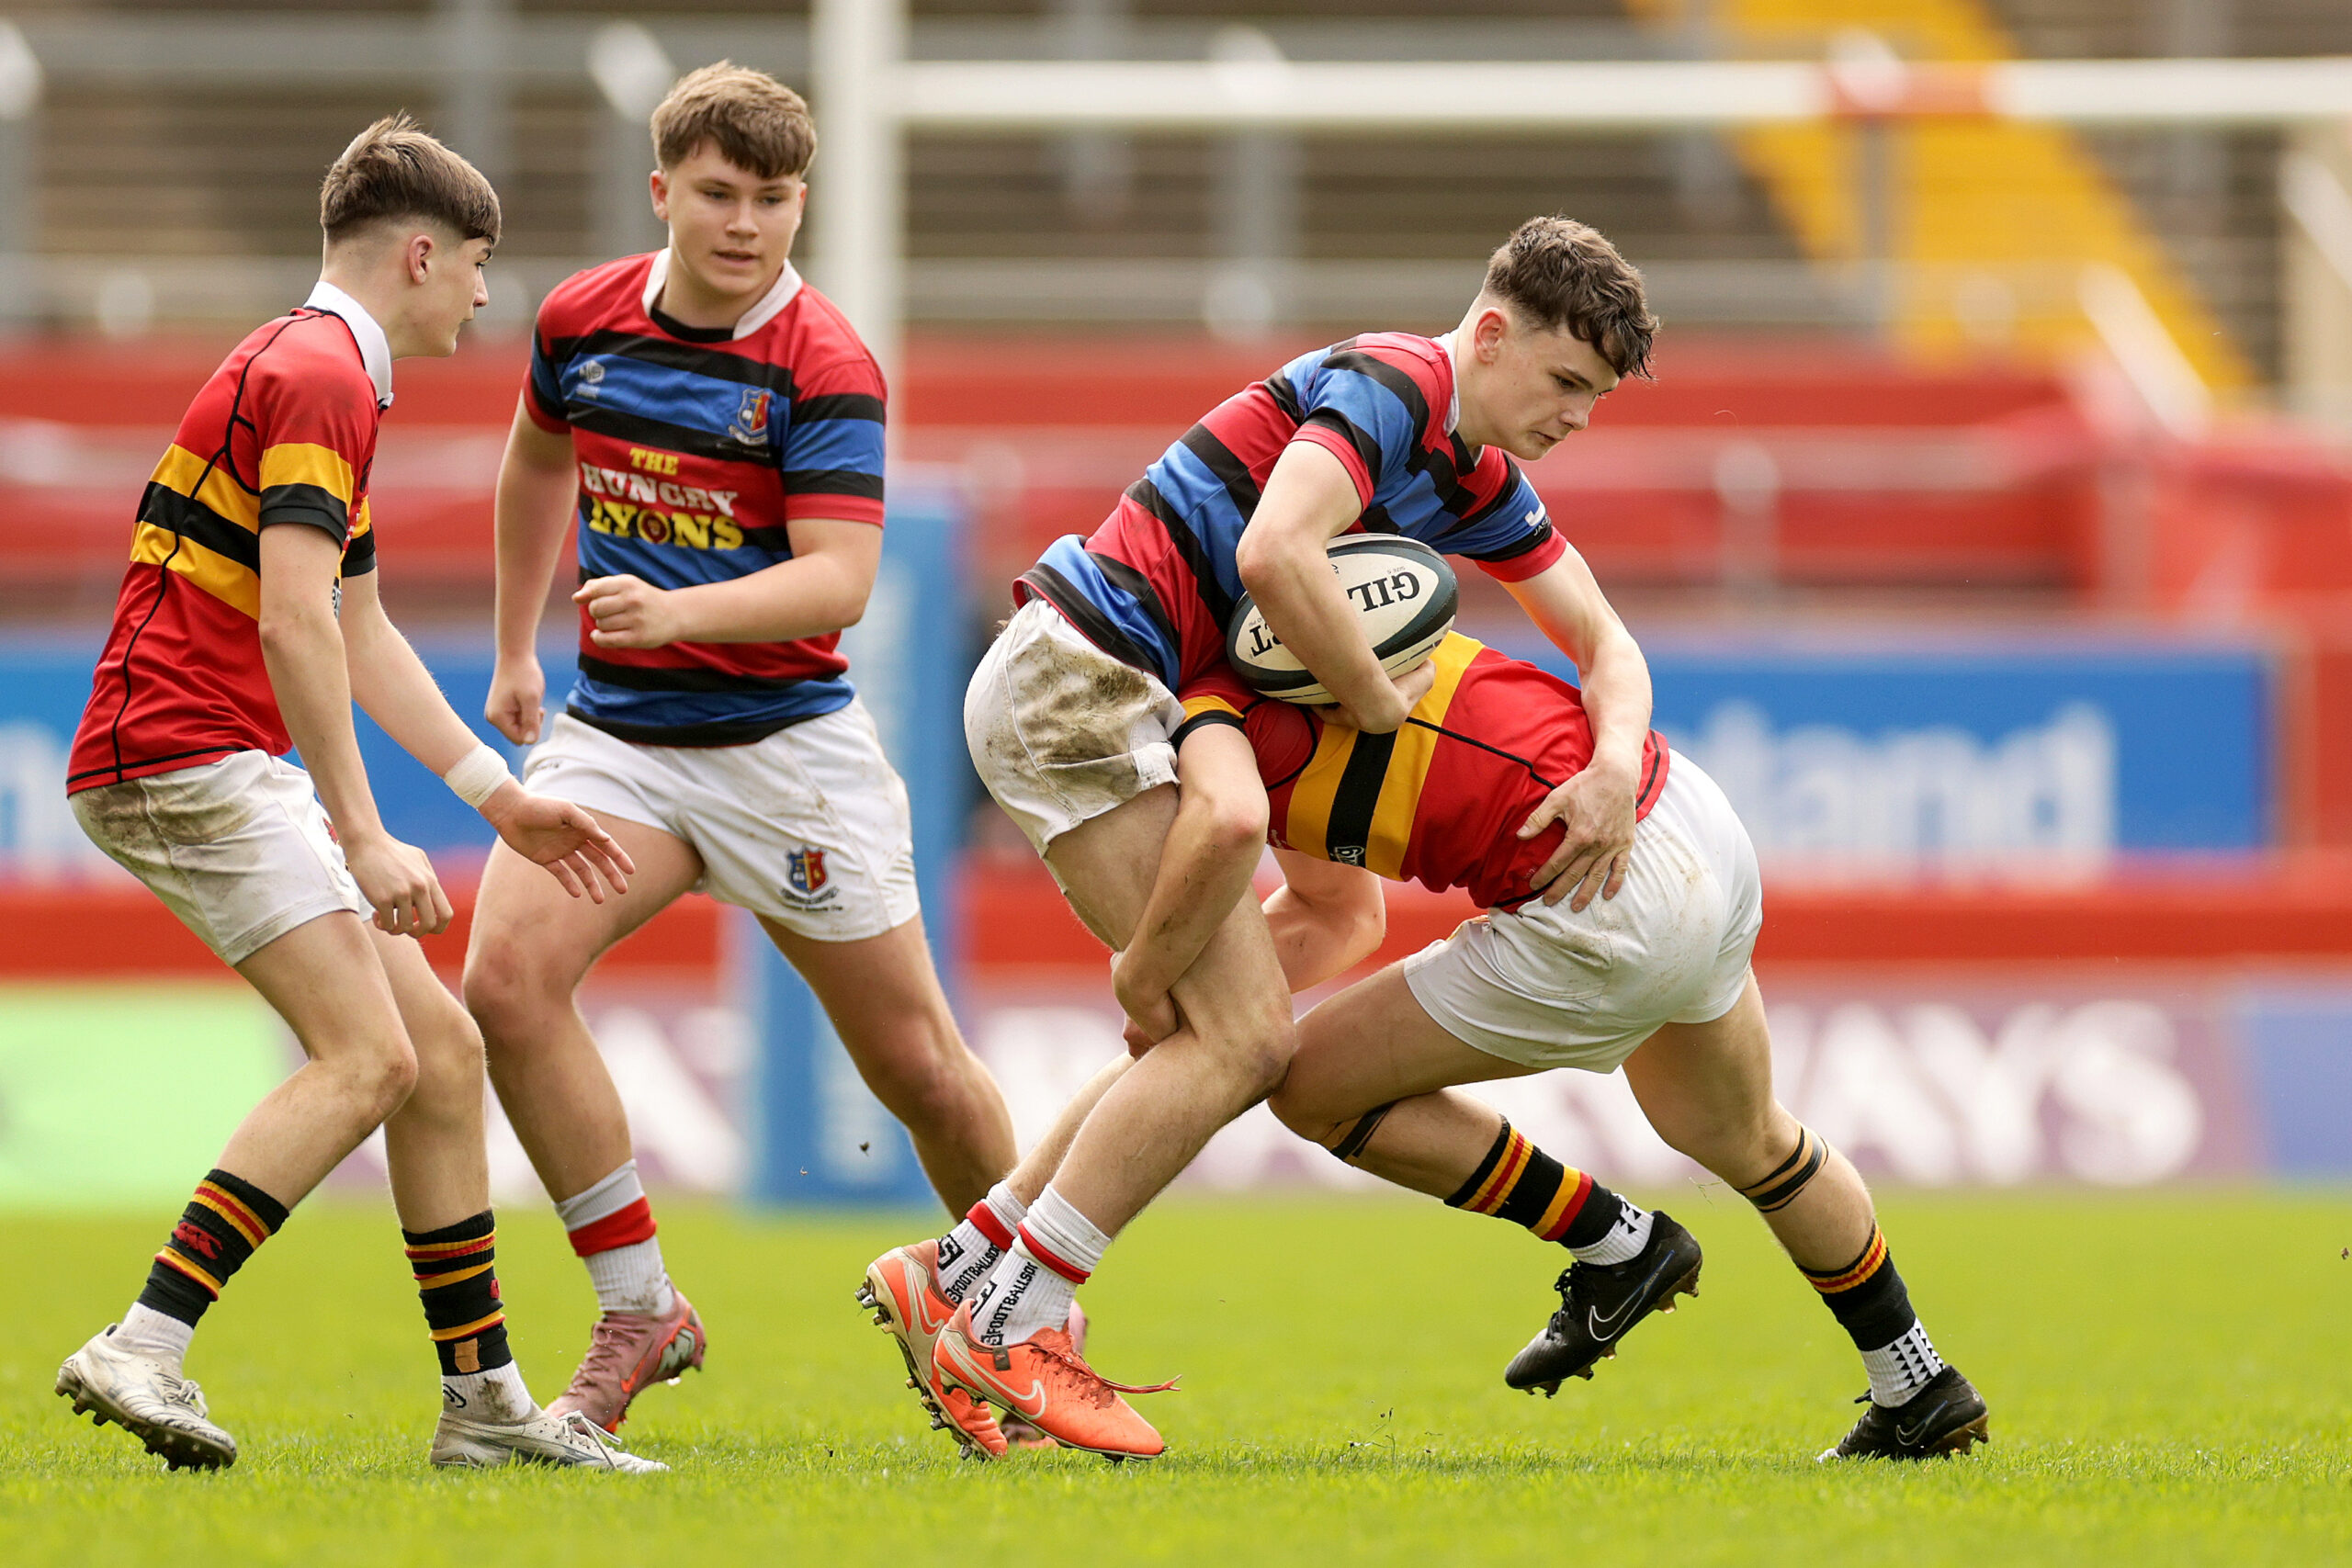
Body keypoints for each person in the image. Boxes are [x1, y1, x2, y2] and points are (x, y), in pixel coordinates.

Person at [877, 216, 1668, 1461]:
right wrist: (1370, 698)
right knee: (1244, 1039)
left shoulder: (1476, 477)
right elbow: (1273, 548)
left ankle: (964, 1266)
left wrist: (1616, 762)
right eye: (1564, 380)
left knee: (1339, 916)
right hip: (1083, 678)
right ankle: (1010, 1322)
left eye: (1595, 399)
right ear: (1492, 334)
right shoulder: (1395, 384)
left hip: (1133, 691)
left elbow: (1606, 643)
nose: (1574, 416)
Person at [55, 117, 655, 1473]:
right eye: (480, 265)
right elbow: (293, 621)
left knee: (441, 1055)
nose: (486, 297)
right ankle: (143, 1343)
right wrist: (367, 831)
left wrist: (497, 798)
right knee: (370, 1057)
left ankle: (484, 1405)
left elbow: (361, 625)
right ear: (423, 255)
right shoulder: (323, 374)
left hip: (193, 747)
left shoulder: (319, 369)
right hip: (185, 750)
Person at [464, 62, 1016, 1434]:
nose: (745, 223)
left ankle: (1023, 1327)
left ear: (800, 204)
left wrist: (678, 612)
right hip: (622, 740)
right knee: (507, 982)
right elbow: (537, 461)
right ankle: (640, 1304)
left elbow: (841, 580)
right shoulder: (580, 319)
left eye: (773, 198)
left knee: (920, 1071)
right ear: (662, 190)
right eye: (718, 193)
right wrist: (518, 645)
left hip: (787, 753)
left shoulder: (824, 362)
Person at [1176, 631, 1991, 1461]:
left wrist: (1158, 981)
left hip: (1595, 898)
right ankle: (1918, 1383)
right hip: (1684, 812)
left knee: (1307, 1084)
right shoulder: (1353, 589)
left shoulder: (1221, 698)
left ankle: (1617, 1242)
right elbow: (1604, 637)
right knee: (1753, 1138)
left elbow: (1314, 892)